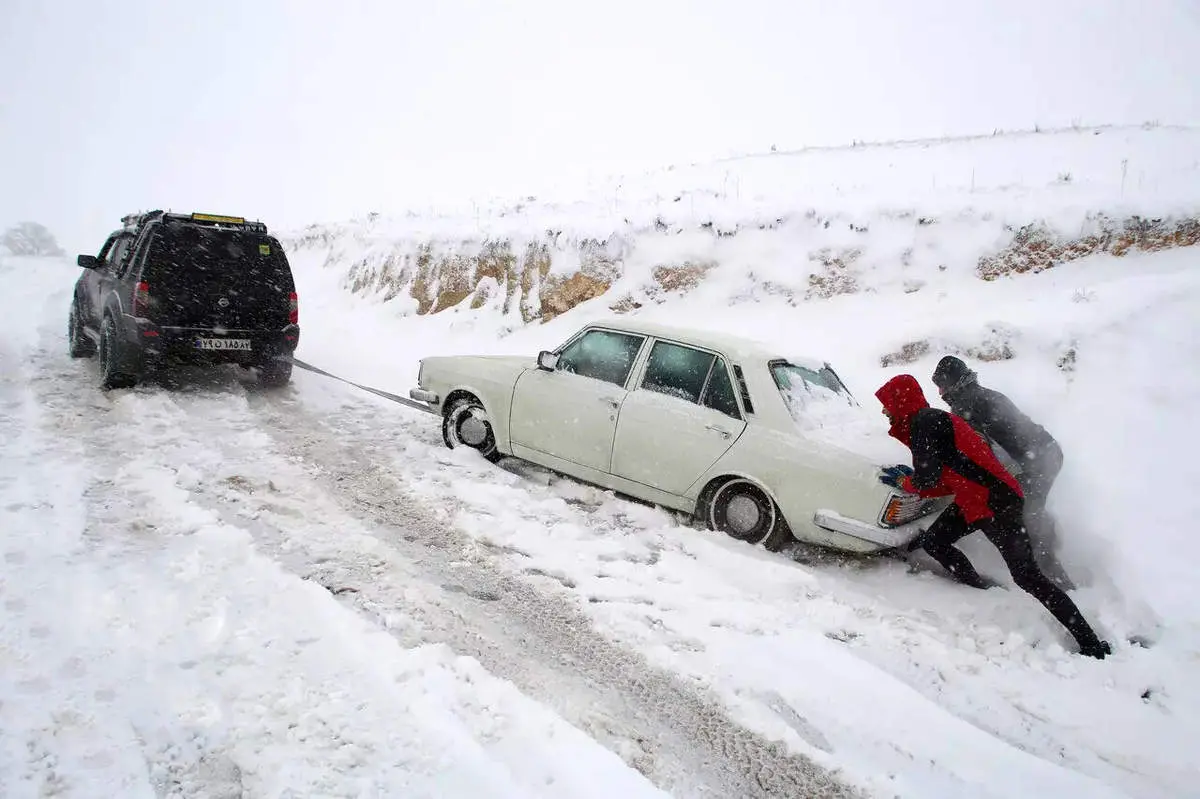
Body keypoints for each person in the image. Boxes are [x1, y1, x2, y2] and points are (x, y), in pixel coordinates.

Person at [875, 374, 1111, 659]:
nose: (884, 410)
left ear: (900, 402)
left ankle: (1091, 644)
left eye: (887, 404)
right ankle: (980, 589)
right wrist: (916, 483)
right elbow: (947, 477)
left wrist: (908, 482)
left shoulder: (925, 423)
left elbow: (927, 479)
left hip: (996, 502)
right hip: (974, 499)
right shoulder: (927, 421)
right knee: (936, 542)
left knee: (1028, 576)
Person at [930, 355, 1074, 590]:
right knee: (1029, 509)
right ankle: (1050, 552)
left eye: (941, 386)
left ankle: (1059, 582)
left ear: (951, 383)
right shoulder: (984, 393)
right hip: (1049, 452)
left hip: (1037, 462)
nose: (939, 393)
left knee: (1025, 517)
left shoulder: (964, 404)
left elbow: (974, 449)